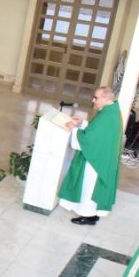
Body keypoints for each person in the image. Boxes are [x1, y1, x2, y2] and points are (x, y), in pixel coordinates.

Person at [58, 86, 122, 225]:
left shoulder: (108, 114)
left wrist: (74, 129)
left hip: (96, 160)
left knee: (89, 185)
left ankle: (87, 215)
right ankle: (92, 214)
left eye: (96, 98)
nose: (93, 100)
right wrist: (83, 124)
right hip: (102, 157)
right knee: (93, 186)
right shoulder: (111, 110)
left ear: (106, 98)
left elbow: (89, 140)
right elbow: (97, 131)